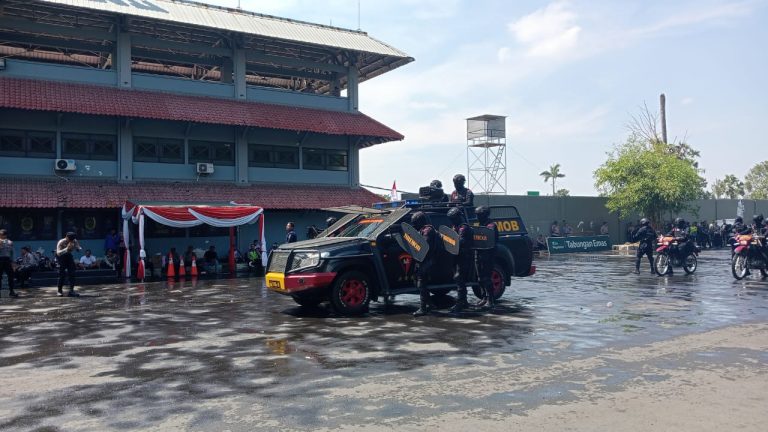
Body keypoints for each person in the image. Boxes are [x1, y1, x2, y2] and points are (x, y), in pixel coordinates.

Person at [411, 211, 438, 317]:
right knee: (418, 282)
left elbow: (423, 245)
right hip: (421, 260)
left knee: (421, 284)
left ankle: (423, 308)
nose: (414, 225)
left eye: (415, 223)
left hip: (428, 260)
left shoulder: (427, 230)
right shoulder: (422, 230)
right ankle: (429, 304)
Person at [447, 207, 473, 314]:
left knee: (459, 279)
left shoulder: (464, 228)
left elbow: (460, 241)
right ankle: (464, 301)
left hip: (464, 256)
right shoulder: (455, 226)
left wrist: (448, 239)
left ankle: (460, 303)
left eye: (453, 218)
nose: (451, 221)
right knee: (457, 278)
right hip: (456, 256)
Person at [475, 206, 499, 309]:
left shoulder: (491, 225)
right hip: (479, 253)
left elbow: (488, 235)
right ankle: (484, 297)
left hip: (488, 255)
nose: (477, 217)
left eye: (479, 215)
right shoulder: (480, 224)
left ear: (484, 215)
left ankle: (491, 300)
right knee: (480, 278)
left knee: (486, 278)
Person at [56, 231, 81, 297]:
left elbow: (78, 247)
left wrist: (78, 248)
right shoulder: (61, 242)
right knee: (62, 274)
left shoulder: (74, 240)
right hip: (61, 257)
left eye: (72, 239)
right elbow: (58, 253)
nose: (71, 241)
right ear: (66, 237)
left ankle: (71, 291)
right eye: (70, 239)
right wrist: (67, 249)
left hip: (68, 256)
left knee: (72, 273)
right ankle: (59, 291)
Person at [0, 229, 18, 298]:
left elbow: (12, 253)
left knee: (11, 276)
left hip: (7, 260)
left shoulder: (10, 242)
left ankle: (11, 291)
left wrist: (13, 262)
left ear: (5, 235)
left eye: (1, 234)